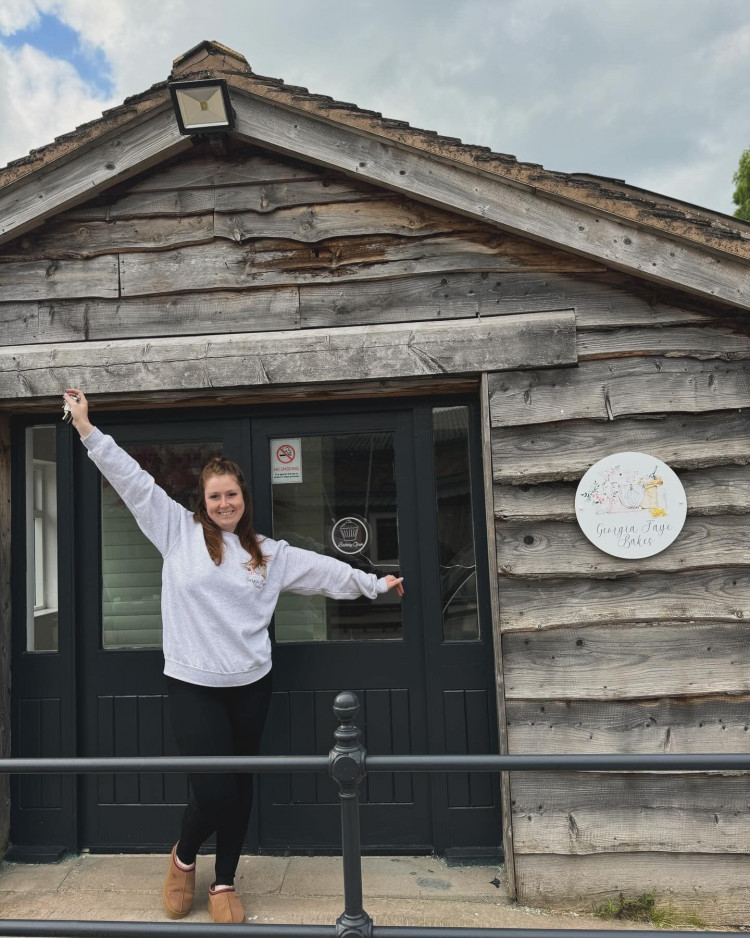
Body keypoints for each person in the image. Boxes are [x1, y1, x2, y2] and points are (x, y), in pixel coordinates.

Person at [62, 389, 404, 925]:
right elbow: (131, 480)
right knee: (215, 787)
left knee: (240, 785)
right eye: (215, 496)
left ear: (244, 499)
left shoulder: (267, 554)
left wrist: (372, 584)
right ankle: (182, 857)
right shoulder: (176, 532)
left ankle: (224, 881)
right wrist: (86, 428)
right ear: (203, 500)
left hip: (251, 683)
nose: (225, 504)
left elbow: (323, 573)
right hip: (193, 684)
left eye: (232, 496)